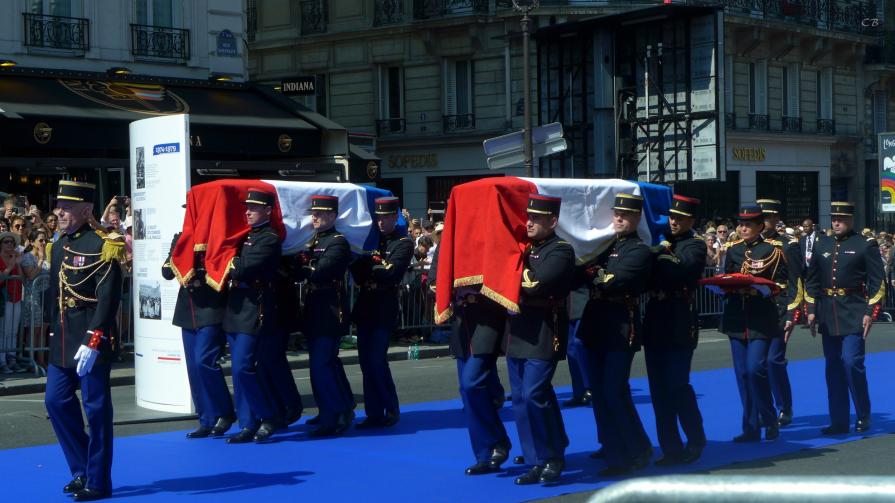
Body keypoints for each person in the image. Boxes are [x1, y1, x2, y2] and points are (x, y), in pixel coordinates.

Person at [44, 180, 123, 501]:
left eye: (66, 208)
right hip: (63, 339)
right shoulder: (60, 243)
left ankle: (98, 480)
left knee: (97, 409)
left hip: (90, 338)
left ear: (86, 209)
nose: (58, 212)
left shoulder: (104, 244)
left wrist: (94, 339)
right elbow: (55, 294)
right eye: (58, 207)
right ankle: (80, 468)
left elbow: (108, 297)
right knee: (55, 401)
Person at [577, 193, 653, 475]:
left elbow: (614, 282)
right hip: (595, 323)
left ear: (636, 219)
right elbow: (583, 272)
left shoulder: (639, 250)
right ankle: (614, 444)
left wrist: (592, 271)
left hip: (621, 325)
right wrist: (590, 269)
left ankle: (632, 450)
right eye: (616, 213)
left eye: (626, 215)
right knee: (599, 392)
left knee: (613, 392)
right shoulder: (605, 247)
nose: (619, 218)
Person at [506, 194, 575, 485]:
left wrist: (508, 275)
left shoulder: (561, 250)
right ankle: (536, 458)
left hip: (544, 330)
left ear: (553, 221)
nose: (530, 222)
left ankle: (552, 456)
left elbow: (536, 285)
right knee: (522, 398)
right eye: (529, 217)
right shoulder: (525, 249)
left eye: (536, 218)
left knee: (535, 393)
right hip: (518, 329)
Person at [805, 202, 885, 435]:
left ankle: (863, 413)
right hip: (828, 314)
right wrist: (811, 309)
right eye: (833, 218)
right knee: (833, 368)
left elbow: (877, 281)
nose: (836, 222)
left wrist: (870, 312)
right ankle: (838, 421)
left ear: (851, 219)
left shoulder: (864, 244)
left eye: (841, 218)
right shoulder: (822, 244)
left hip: (854, 311)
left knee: (851, 363)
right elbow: (811, 280)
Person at [720, 204, 794, 443]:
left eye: (748, 224)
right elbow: (726, 277)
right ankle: (750, 427)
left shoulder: (773, 250)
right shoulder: (732, 250)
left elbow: (783, 284)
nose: (742, 228)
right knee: (742, 374)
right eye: (740, 224)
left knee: (755, 369)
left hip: (762, 318)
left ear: (760, 226)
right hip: (736, 317)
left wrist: (781, 307)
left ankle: (769, 418)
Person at [642, 195, 707, 466]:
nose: (674, 221)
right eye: (671, 217)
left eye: (679, 218)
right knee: (658, 389)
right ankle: (670, 447)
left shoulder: (694, 245)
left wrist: (659, 254)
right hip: (656, 319)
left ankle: (695, 439)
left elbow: (681, 270)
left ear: (691, 220)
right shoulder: (661, 242)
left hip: (680, 320)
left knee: (678, 385)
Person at [221, 188, 282, 444]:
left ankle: (268, 416)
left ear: (268, 211)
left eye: (254, 208)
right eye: (247, 207)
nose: (248, 211)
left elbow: (245, 268)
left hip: (254, 306)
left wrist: (232, 264)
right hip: (237, 305)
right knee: (237, 370)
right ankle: (247, 423)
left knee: (245, 366)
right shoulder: (246, 237)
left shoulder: (269, 237)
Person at [161, 232, 235, 439]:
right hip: (188, 310)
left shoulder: (217, 236)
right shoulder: (181, 238)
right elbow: (167, 270)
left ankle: (225, 412)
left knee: (205, 361)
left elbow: (220, 270)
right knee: (194, 368)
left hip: (211, 307)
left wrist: (197, 277)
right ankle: (206, 419)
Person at [294, 194, 355, 437]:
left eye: (320, 213)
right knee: (320, 364)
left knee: (322, 364)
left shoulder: (338, 242)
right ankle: (331, 409)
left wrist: (306, 265)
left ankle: (336, 416)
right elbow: (300, 273)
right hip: (314, 305)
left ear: (332, 215)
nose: (315, 217)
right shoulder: (313, 240)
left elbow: (319, 272)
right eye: (314, 213)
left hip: (330, 308)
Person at [350, 197, 413, 428]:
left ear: (395, 217)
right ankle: (374, 412)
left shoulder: (403, 242)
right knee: (365, 362)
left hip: (384, 306)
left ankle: (390, 407)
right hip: (366, 305)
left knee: (376, 360)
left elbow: (390, 273)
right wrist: (369, 266)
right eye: (378, 218)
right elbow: (358, 272)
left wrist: (369, 266)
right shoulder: (372, 241)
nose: (381, 222)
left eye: (385, 217)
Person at [756, 199, 803, 427]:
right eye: (761, 217)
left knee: (774, 360)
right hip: (755, 308)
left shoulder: (787, 244)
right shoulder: (747, 245)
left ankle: (784, 406)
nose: (764, 222)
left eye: (768, 217)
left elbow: (796, 280)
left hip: (778, 307)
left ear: (776, 219)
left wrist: (792, 314)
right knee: (756, 363)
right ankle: (763, 409)